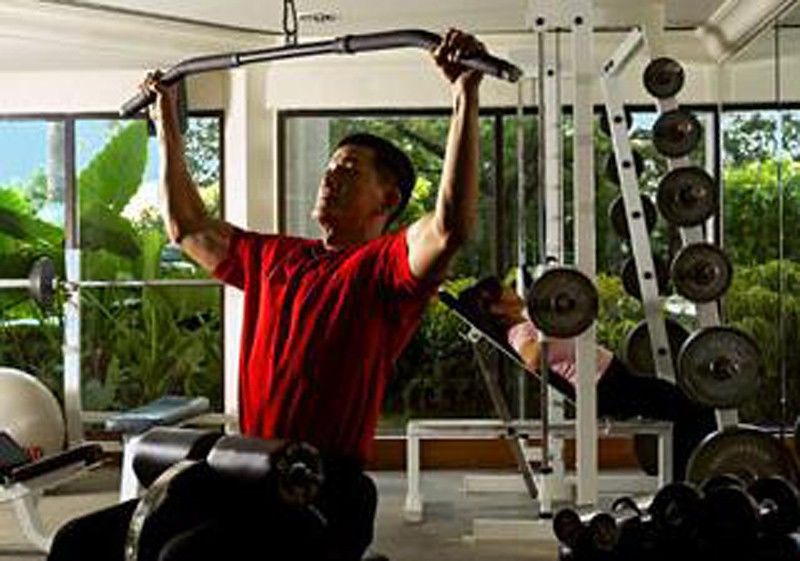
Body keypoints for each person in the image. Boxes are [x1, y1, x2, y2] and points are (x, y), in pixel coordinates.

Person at [48, 29, 486, 561]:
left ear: (388, 198)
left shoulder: (383, 269)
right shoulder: (275, 255)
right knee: (78, 543)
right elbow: (186, 228)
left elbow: (448, 229)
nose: (329, 178)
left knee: (185, 556)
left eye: (347, 170)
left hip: (319, 485)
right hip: (245, 464)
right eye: (328, 169)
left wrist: (465, 94)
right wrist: (166, 125)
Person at [462, 276, 716, 481]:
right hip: (607, 390)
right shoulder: (519, 333)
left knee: (681, 406)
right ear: (496, 307)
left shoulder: (528, 318)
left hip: (615, 380)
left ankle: (684, 476)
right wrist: (549, 326)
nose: (511, 290)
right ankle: (686, 480)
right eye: (505, 290)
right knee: (690, 408)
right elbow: (531, 360)